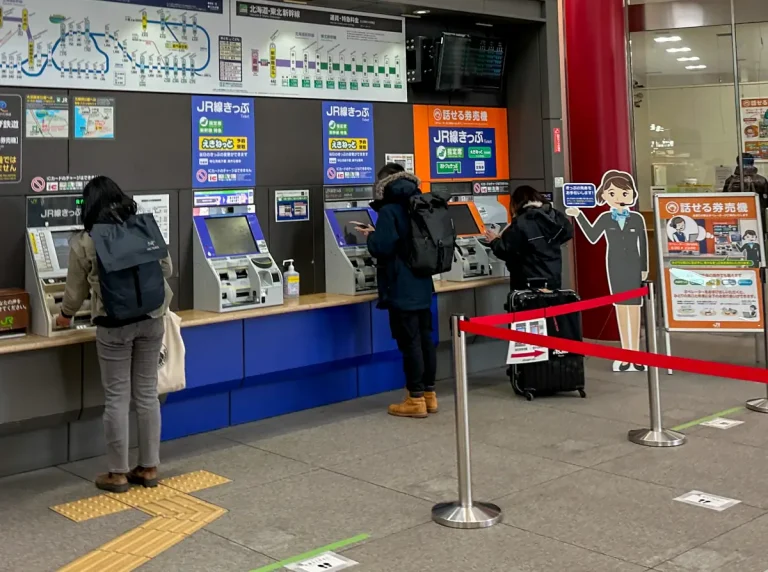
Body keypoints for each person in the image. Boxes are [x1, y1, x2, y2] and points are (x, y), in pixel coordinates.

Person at [56, 176, 173, 493]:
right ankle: (149, 468)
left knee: (117, 398)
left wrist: (64, 316)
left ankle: (118, 474)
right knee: (147, 394)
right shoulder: (143, 227)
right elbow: (166, 269)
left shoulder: (86, 240)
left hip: (113, 326)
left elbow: (74, 293)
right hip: (152, 318)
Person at [356, 163, 437, 419]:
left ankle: (414, 399)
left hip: (401, 286)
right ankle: (429, 395)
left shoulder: (390, 210)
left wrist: (371, 236)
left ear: (384, 185)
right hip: (423, 283)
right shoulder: (420, 203)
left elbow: (382, 247)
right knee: (425, 340)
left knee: (409, 342)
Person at [566, 170, 648, 373]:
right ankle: (625, 354)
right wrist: (579, 216)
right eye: (612, 193)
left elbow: (643, 243)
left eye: (624, 193)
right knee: (621, 308)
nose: (619, 198)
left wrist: (644, 267)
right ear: (603, 196)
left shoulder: (637, 219)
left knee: (635, 309)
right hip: (614, 266)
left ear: (632, 194)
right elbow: (592, 236)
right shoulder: (605, 217)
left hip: (634, 265)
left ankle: (635, 355)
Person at [484, 185, 573, 290]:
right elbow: (568, 231)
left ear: (515, 203)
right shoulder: (552, 215)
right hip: (553, 283)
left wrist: (494, 241)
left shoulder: (521, 222)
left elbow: (506, 250)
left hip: (528, 286)